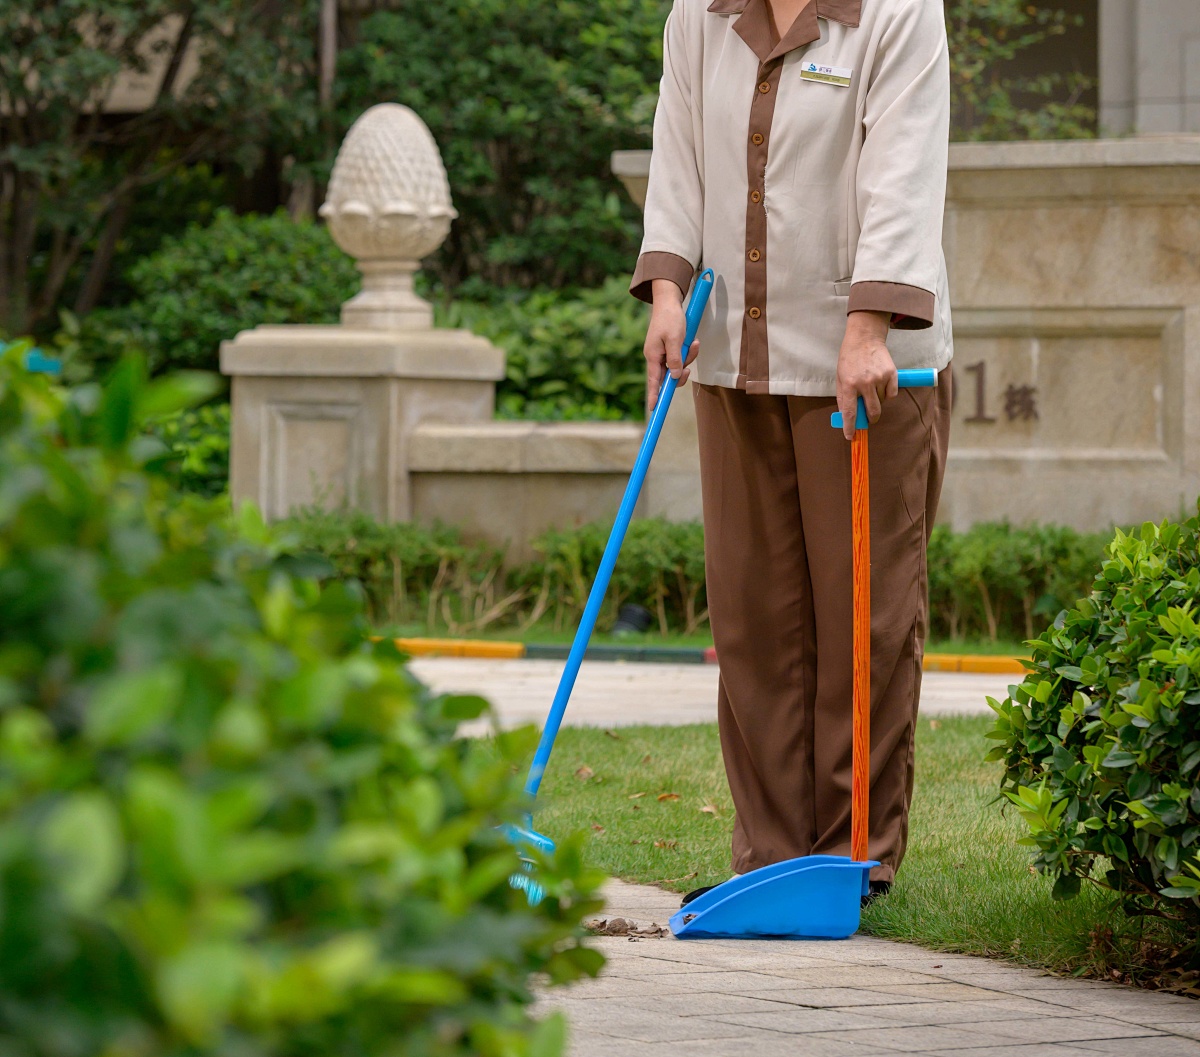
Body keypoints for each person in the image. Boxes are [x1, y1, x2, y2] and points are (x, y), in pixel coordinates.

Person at [630, 0, 954, 905]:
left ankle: (852, 855)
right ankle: (770, 856)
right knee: (753, 617)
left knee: (866, 619)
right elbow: (679, 152)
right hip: (736, 354)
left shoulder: (898, 12)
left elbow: (904, 171)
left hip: (871, 369)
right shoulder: (699, 14)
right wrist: (666, 292)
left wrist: (868, 324)